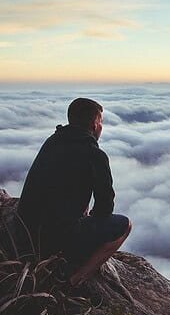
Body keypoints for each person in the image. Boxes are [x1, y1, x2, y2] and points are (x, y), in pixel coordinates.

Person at [17, 97, 131, 287]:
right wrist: (87, 220)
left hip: (25, 233)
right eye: (100, 122)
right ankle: (73, 280)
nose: (101, 127)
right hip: (55, 240)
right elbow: (105, 208)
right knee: (125, 225)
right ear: (95, 124)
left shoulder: (53, 141)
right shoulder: (94, 154)